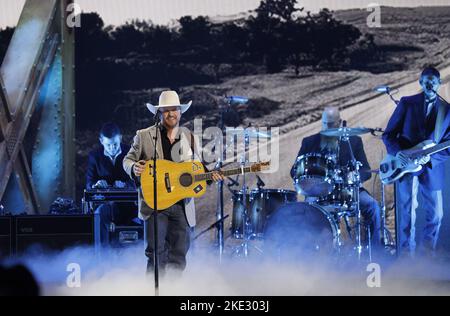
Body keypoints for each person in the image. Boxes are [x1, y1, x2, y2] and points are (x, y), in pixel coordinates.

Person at [123, 90, 224, 275]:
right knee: (156, 254)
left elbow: (198, 168)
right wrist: (133, 167)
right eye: (167, 110)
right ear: (159, 113)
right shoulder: (145, 136)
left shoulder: (188, 136)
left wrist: (210, 176)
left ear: (180, 111)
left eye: (175, 109)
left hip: (182, 205)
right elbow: (127, 160)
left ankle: (173, 291)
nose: (171, 114)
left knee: (179, 255)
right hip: (156, 204)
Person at [383, 67, 450, 256]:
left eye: (434, 81)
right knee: (406, 214)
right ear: (420, 82)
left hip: (431, 168)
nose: (430, 84)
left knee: (436, 214)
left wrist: (432, 157)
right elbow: (388, 135)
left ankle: (426, 256)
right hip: (405, 166)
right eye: (426, 80)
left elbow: (448, 147)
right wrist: (398, 154)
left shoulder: (447, 110)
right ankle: (406, 257)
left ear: (439, 83)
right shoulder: (407, 103)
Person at [291, 107, 382, 247]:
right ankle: (309, 253)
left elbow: (366, 171)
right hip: (318, 192)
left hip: (348, 190)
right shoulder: (309, 142)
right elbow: (294, 171)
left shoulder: (354, 141)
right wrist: (309, 181)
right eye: (325, 124)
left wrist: (355, 175)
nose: (328, 128)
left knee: (373, 207)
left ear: (339, 122)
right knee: (305, 213)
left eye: (331, 124)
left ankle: (376, 251)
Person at [86, 122, 137, 246]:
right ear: (101, 141)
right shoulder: (94, 156)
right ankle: (102, 255)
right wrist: (96, 184)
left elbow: (138, 180)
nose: (112, 148)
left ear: (120, 138)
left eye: (115, 144)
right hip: (105, 205)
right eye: (108, 145)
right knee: (99, 215)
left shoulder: (131, 153)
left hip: (129, 205)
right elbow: (89, 183)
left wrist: (125, 185)